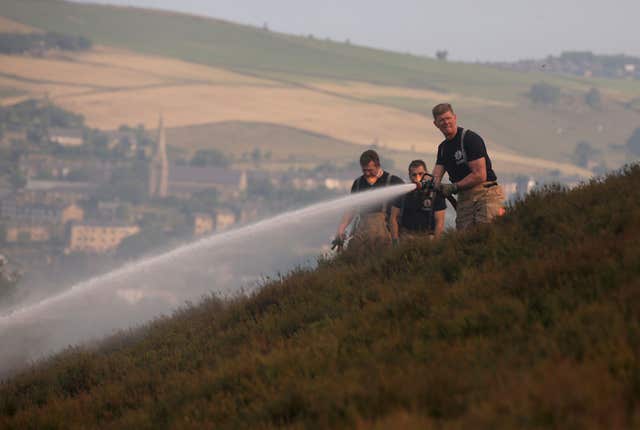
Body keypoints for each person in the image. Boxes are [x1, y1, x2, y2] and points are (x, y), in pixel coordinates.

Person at [431, 103, 505, 230]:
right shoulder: (443, 148)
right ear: (435, 124)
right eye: (441, 120)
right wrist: (428, 185)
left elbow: (480, 175)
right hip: (464, 199)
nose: (446, 122)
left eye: (448, 118)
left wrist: (454, 187)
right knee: (465, 240)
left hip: (485, 194)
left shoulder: (469, 139)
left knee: (486, 234)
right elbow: (436, 175)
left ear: (455, 118)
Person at [334, 149, 403, 250]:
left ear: (378, 166)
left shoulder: (393, 181)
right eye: (364, 170)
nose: (367, 173)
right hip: (362, 230)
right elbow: (351, 210)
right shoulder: (358, 184)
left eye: (370, 170)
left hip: (384, 233)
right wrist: (340, 231)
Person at [389, 160, 446, 241]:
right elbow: (393, 218)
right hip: (406, 237)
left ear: (427, 173)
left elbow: (439, 221)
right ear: (409, 176)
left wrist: (436, 244)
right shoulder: (403, 192)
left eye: (421, 174)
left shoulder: (435, 193)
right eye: (414, 175)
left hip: (428, 238)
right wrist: (395, 240)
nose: (418, 178)